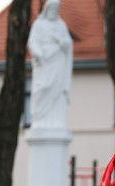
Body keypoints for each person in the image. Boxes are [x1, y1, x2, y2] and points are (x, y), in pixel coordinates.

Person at [28, 0, 72, 129]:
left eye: (56, 9)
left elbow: (68, 43)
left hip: (58, 61)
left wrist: (62, 41)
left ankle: (56, 122)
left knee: (57, 90)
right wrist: (38, 52)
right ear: (47, 10)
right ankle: (39, 119)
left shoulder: (61, 25)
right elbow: (33, 41)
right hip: (44, 61)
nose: (54, 12)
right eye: (52, 9)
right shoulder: (39, 24)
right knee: (41, 89)